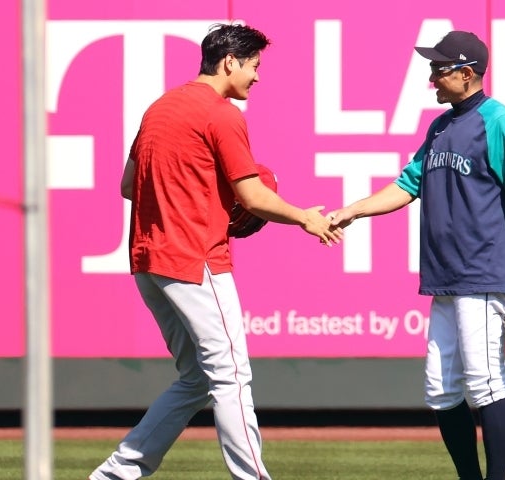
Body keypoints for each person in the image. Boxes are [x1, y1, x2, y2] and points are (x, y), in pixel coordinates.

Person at [89, 23, 341, 480]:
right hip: (194, 259)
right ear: (230, 62)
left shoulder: (160, 107)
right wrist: (306, 217)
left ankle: (114, 476)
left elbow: (129, 185)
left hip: (148, 260)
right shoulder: (222, 114)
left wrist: (193, 196)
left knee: (197, 380)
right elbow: (253, 197)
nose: (257, 77)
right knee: (231, 375)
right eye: (254, 66)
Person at [328, 31, 505, 480]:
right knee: (441, 389)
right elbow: (408, 185)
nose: (431, 77)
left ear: (467, 74)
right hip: (446, 276)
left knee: (486, 383)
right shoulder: (441, 127)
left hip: (484, 273)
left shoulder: (498, 121)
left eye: (439, 68)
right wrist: (354, 209)